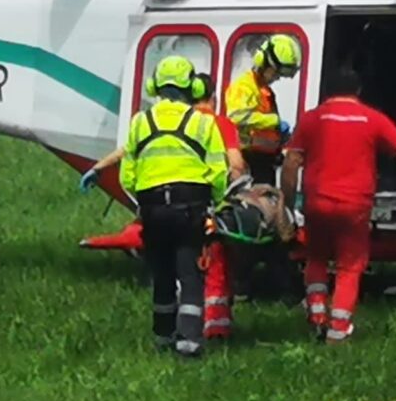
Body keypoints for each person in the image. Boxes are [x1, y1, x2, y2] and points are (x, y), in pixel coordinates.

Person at [281, 65, 396, 343]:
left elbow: (291, 163)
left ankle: (316, 315)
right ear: (358, 91)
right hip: (355, 206)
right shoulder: (372, 118)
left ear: (328, 91)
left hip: (318, 202)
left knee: (316, 257)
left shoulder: (313, 119)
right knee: (349, 267)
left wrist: (287, 203)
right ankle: (338, 330)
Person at [119, 55, 228, 358]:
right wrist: (216, 203)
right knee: (190, 275)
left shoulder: (140, 122)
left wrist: (145, 199)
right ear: (192, 86)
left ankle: (162, 337)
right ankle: (190, 343)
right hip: (190, 206)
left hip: (153, 207)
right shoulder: (203, 123)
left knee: (162, 274)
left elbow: (127, 174)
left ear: (155, 85)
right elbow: (218, 171)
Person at [226, 34, 301, 186]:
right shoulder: (244, 86)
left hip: (264, 162)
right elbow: (236, 116)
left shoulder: (264, 90)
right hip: (249, 162)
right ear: (264, 63)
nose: (277, 77)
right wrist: (273, 121)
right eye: (275, 72)